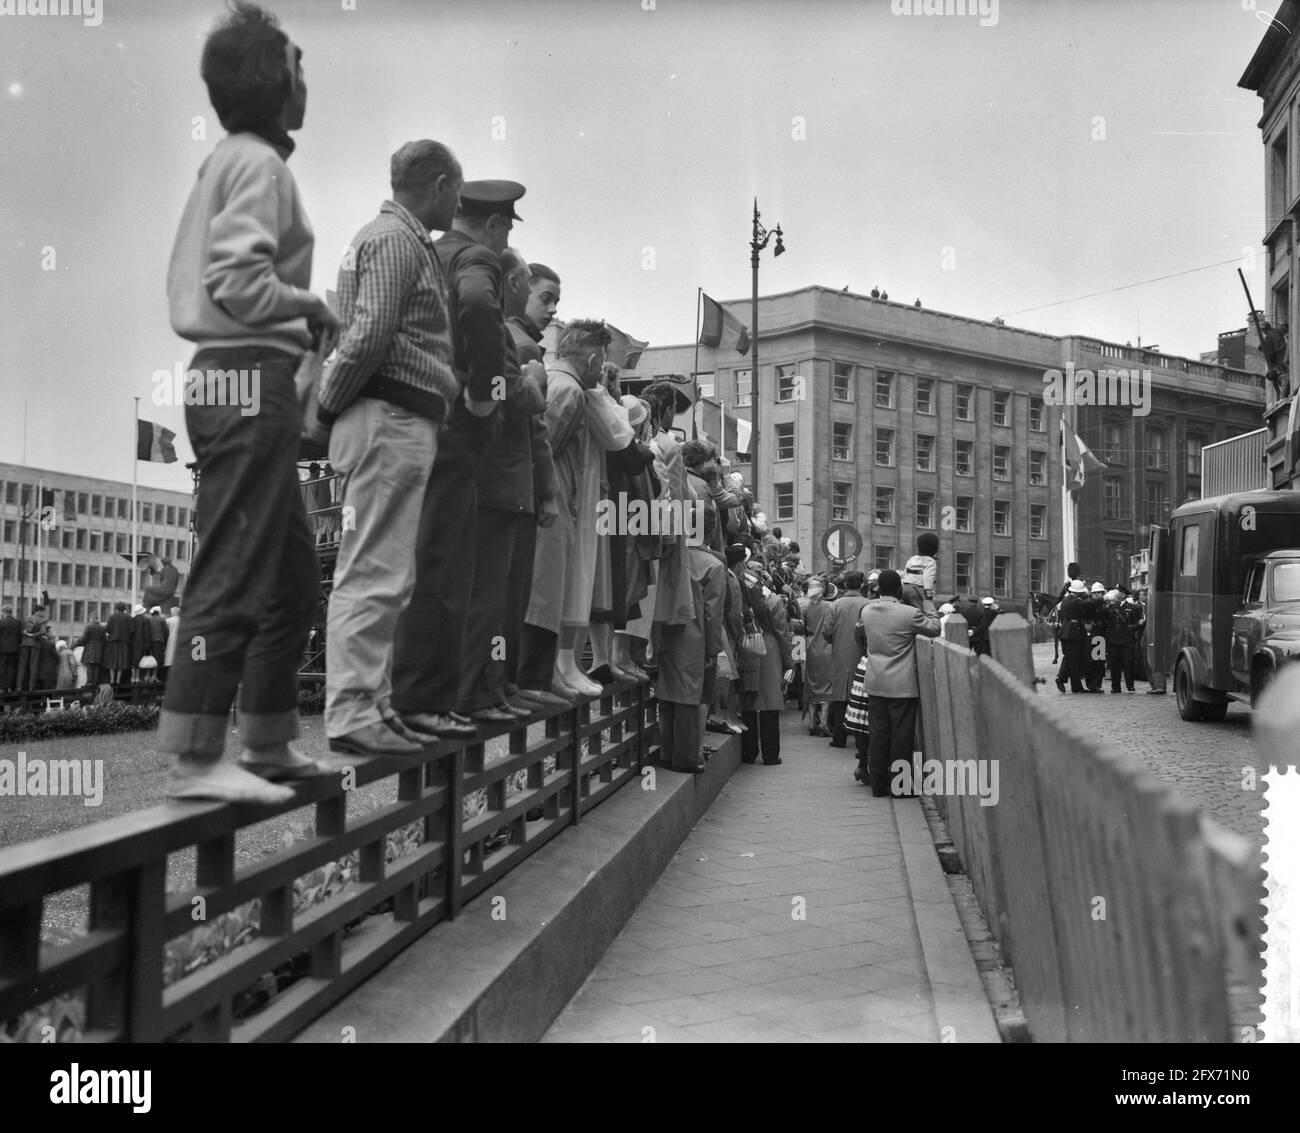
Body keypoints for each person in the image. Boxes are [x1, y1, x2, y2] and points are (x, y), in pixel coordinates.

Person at [161, 1, 336, 803]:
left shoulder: (235, 159)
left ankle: (265, 739)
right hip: (246, 373)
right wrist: (310, 306)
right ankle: (197, 756)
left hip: (235, 374)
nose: (307, 80)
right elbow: (235, 280)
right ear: (275, 81)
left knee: (294, 574)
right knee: (234, 563)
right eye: (298, 64)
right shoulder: (261, 166)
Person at [316, 139, 464, 756]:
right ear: (435, 184)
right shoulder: (397, 240)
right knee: (374, 570)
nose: (457, 202)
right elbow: (369, 333)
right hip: (388, 414)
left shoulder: (389, 238)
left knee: (386, 572)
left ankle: (370, 704)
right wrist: (327, 406)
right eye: (455, 189)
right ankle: (353, 711)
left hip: (392, 416)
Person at [390, 179, 522, 742]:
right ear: (496, 225)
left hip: (417, 415)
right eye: (508, 228)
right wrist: (484, 394)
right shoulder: (475, 258)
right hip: (455, 424)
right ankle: (430, 699)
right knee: (449, 568)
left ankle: (428, 696)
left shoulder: (427, 251)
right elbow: (473, 303)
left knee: (428, 564)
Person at [457, 245, 558, 722]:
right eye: (543, 294)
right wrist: (534, 383)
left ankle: (498, 687)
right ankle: (485, 689)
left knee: (504, 600)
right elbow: (519, 414)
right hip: (502, 482)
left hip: (511, 485)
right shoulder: (517, 342)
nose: (551, 308)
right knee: (493, 600)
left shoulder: (518, 339)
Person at [654, 506, 726, 774]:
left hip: (665, 631)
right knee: (689, 696)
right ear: (712, 529)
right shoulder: (713, 565)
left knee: (667, 692)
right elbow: (713, 614)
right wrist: (713, 648)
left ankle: (666, 751)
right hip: (694, 637)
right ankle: (685, 758)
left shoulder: (672, 555)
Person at [860, 569, 941, 797]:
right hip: (902, 685)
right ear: (898, 589)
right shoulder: (909, 614)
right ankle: (900, 787)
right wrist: (928, 605)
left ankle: (878, 785)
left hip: (876, 681)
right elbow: (935, 628)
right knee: (901, 736)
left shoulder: (866, 611)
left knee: (878, 733)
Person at [738, 562, 794, 766]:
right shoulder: (774, 600)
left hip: (745, 646)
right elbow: (782, 632)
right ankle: (771, 755)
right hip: (769, 649)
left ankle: (748, 752)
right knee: (770, 703)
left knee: (749, 702)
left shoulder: (740, 598)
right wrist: (789, 662)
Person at [823, 571, 868, 748]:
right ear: (862, 585)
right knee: (861, 699)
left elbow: (827, 631)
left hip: (840, 654)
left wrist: (835, 639)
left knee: (840, 698)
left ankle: (839, 738)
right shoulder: (868, 605)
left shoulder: (835, 605)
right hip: (862, 656)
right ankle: (860, 742)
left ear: (844, 585)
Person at [801, 578, 834, 735]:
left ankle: (811, 723)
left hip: (811, 649)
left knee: (812, 684)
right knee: (827, 686)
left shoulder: (806, 608)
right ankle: (823, 722)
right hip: (827, 649)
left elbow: (804, 628)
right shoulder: (830, 606)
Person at [1057, 578, 1091, 693]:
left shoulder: (1067, 599)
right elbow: (1086, 603)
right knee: (1073, 659)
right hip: (1072, 633)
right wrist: (1102, 598)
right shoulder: (1074, 600)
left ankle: (1073, 684)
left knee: (1070, 658)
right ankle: (1062, 678)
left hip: (1067, 632)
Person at [1103, 588, 1140, 693]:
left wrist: (1131, 628)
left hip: (1127, 640)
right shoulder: (1110, 608)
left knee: (1128, 664)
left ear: (1123, 595)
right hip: (1113, 640)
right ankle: (1115, 686)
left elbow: (1138, 623)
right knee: (1114, 665)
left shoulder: (1133, 608)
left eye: (1119, 592)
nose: (1116, 594)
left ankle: (1130, 685)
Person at [901, 531, 939, 612]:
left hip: (905, 587)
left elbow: (904, 573)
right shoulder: (930, 561)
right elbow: (928, 578)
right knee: (920, 612)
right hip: (917, 589)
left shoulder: (912, 558)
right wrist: (929, 594)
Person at [105, 602, 133, 685]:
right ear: (124, 609)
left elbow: (107, 629)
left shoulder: (112, 617)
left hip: (113, 642)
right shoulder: (128, 617)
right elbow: (132, 630)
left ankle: (112, 680)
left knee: (112, 662)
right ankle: (118, 680)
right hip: (124, 642)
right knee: (121, 662)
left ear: (116, 608)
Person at [80, 613, 106, 687]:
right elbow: (104, 640)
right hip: (99, 650)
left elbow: (84, 638)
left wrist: (76, 644)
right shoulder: (102, 628)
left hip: (89, 649)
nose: (89, 619)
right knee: (97, 667)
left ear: (92, 618)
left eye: (90, 618)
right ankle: (95, 683)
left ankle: (89, 682)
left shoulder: (88, 627)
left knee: (90, 667)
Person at [0, 604, 20, 691]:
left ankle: (1, 687)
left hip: (3, 648)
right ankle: (9, 686)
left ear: (3, 612)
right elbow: (19, 635)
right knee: (11, 668)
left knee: (2, 667)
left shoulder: (1, 622)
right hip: (14, 648)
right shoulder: (17, 622)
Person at [162, 606, 180, 684]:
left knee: (169, 658)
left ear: (172, 612)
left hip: (171, 640)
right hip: (179, 641)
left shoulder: (169, 620)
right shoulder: (182, 620)